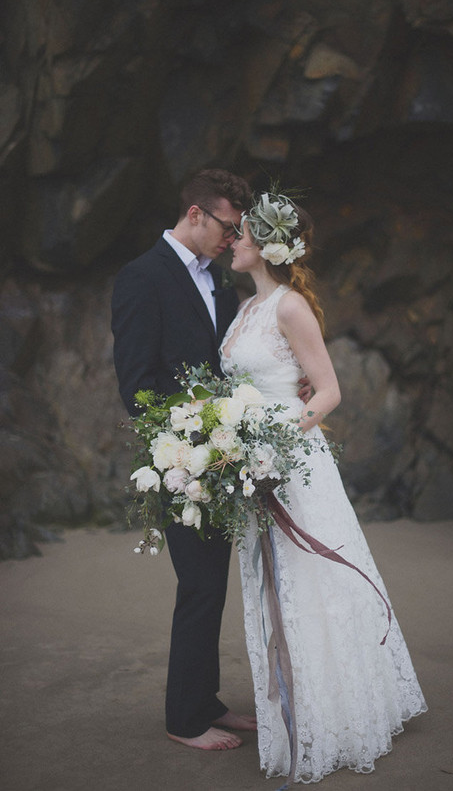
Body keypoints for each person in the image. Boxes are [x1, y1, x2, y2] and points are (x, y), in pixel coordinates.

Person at [220, 191, 427, 783]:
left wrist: (273, 447)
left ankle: (329, 713)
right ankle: (296, 705)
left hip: (287, 462)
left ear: (264, 245)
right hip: (251, 462)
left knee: (308, 580)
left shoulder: (289, 307)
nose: (231, 242)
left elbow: (329, 390)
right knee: (272, 585)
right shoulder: (243, 311)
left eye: (240, 235)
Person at [111, 169, 257, 751]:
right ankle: (183, 719)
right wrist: (185, 446)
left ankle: (206, 701)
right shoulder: (141, 277)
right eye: (227, 225)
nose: (233, 236)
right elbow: (136, 383)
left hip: (225, 459)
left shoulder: (221, 283)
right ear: (195, 213)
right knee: (198, 585)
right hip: (181, 462)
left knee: (212, 585)